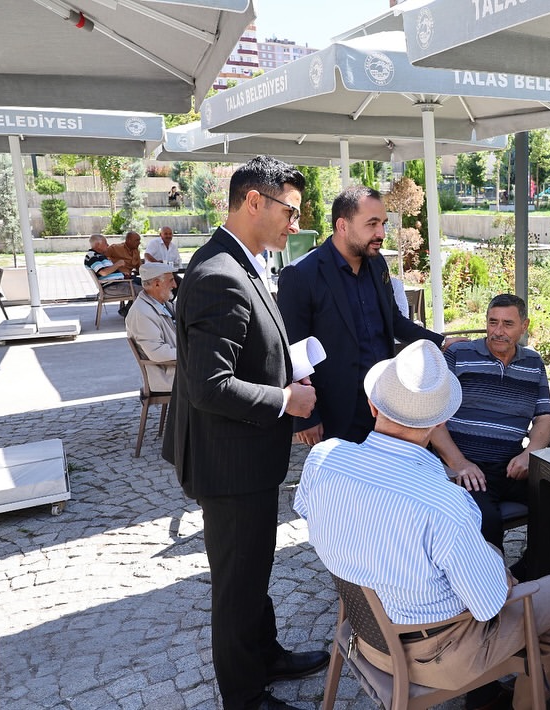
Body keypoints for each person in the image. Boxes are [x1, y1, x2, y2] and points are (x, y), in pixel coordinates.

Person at [294, 340, 550, 710]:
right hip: (433, 657)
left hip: (362, 630)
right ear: (440, 422)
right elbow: (488, 606)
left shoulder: (323, 458)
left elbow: (313, 515)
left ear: (372, 406)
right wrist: (501, 571)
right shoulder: (446, 504)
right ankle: (529, 701)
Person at [161, 156, 327, 710]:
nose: (295, 224)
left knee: (253, 569)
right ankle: (244, 693)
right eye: (290, 210)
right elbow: (208, 386)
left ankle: (266, 653)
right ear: (254, 201)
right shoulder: (218, 275)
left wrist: (285, 365)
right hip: (230, 466)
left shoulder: (240, 261)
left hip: (246, 460)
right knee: (237, 584)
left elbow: (248, 349)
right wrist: (286, 398)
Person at [430, 294, 550, 582]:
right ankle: (491, 590)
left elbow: (543, 417)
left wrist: (530, 454)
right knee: (484, 520)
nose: (498, 331)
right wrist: (460, 464)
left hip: (512, 464)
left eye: (507, 324)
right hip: (468, 468)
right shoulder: (459, 356)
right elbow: (434, 420)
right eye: (493, 322)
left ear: (524, 326)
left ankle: (531, 575)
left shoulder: (532, 362)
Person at [277, 185, 451, 447]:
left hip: (385, 406)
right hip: (337, 412)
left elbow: (394, 321)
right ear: (342, 225)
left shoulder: (378, 264)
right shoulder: (301, 275)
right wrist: (307, 419)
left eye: (382, 223)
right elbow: (291, 350)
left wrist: (441, 343)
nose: (381, 233)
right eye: (372, 224)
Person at [125, 261, 177, 392]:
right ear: (156, 284)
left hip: (177, 368)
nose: (175, 285)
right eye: (171, 280)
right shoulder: (142, 313)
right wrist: (192, 353)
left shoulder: (161, 303)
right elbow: (157, 353)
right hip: (167, 376)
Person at [84, 233, 138, 316]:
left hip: (118, 282)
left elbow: (107, 272)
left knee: (147, 284)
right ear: (98, 245)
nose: (108, 245)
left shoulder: (99, 255)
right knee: (145, 291)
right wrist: (118, 264)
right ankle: (129, 312)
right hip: (112, 287)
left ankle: (127, 310)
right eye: (105, 243)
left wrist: (121, 274)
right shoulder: (92, 256)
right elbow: (104, 272)